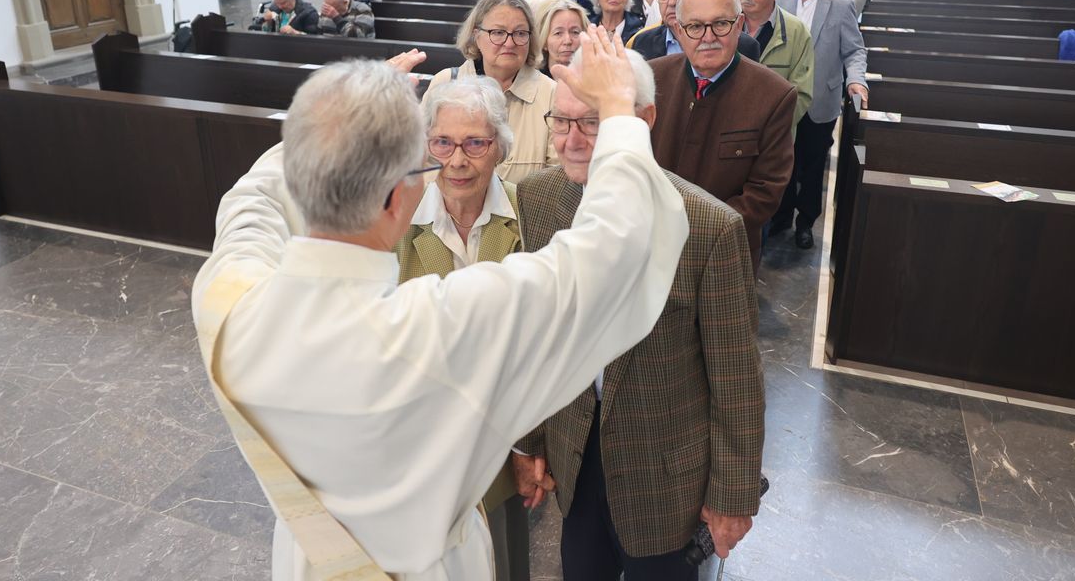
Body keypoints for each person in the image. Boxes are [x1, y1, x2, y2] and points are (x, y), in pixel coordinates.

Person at [191, 30, 690, 581]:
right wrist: (618, 109)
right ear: (397, 196)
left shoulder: (226, 296)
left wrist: (352, 114)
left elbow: (250, 200)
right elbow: (611, 252)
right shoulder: (440, 329)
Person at [513, 48, 765, 579]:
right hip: (574, 456)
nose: (573, 140)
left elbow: (736, 378)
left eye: (593, 122)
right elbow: (536, 338)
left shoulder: (708, 227)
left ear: (641, 120)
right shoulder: (537, 198)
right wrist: (530, 442)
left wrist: (733, 496)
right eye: (561, 121)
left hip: (664, 473)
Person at [400, 78, 527, 581]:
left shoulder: (529, 212)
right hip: (422, 447)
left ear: (499, 146)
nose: (457, 161)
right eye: (443, 143)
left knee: (503, 560)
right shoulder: (398, 220)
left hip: (503, 447)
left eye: (475, 143)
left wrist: (530, 448)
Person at [649, 0, 796, 270]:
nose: (708, 37)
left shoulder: (774, 95)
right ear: (678, 31)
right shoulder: (649, 80)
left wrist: (698, 234)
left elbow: (765, 192)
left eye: (720, 24)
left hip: (725, 258)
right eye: (694, 26)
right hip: (651, 250)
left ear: (739, 24)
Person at [775, 0, 867, 249]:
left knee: (812, 166)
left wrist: (856, 80)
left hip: (820, 101)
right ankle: (782, 215)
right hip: (785, 97)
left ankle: (805, 222)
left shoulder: (840, 4)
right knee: (782, 161)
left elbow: (854, 50)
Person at [428, 0, 558, 183]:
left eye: (520, 33)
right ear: (476, 36)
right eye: (498, 32)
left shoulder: (550, 93)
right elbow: (423, 163)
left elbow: (557, 179)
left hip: (522, 212)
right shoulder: (445, 83)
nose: (509, 42)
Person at [739, 0, 814, 128]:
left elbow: (801, 94)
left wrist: (770, 130)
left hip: (774, 138)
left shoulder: (797, 31)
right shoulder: (724, 24)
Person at [538, 0, 590, 75]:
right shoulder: (532, 83)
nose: (568, 41)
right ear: (544, 41)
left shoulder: (597, 81)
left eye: (575, 32)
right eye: (558, 33)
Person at [248, 0, 320, 34]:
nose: (280, 6)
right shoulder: (274, 7)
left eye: (283, 3)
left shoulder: (309, 13)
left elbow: (314, 39)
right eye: (277, 3)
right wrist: (268, 22)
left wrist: (294, 32)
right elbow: (265, 32)